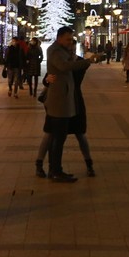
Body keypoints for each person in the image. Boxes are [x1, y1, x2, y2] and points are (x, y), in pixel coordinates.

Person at [36, 45, 96, 178]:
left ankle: (89, 164)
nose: (71, 51)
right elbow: (47, 79)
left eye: (73, 49)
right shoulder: (59, 61)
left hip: (75, 100)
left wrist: (89, 60)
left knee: (80, 133)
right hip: (57, 102)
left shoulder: (79, 62)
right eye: (69, 49)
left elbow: (77, 70)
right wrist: (47, 79)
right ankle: (39, 164)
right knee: (49, 133)